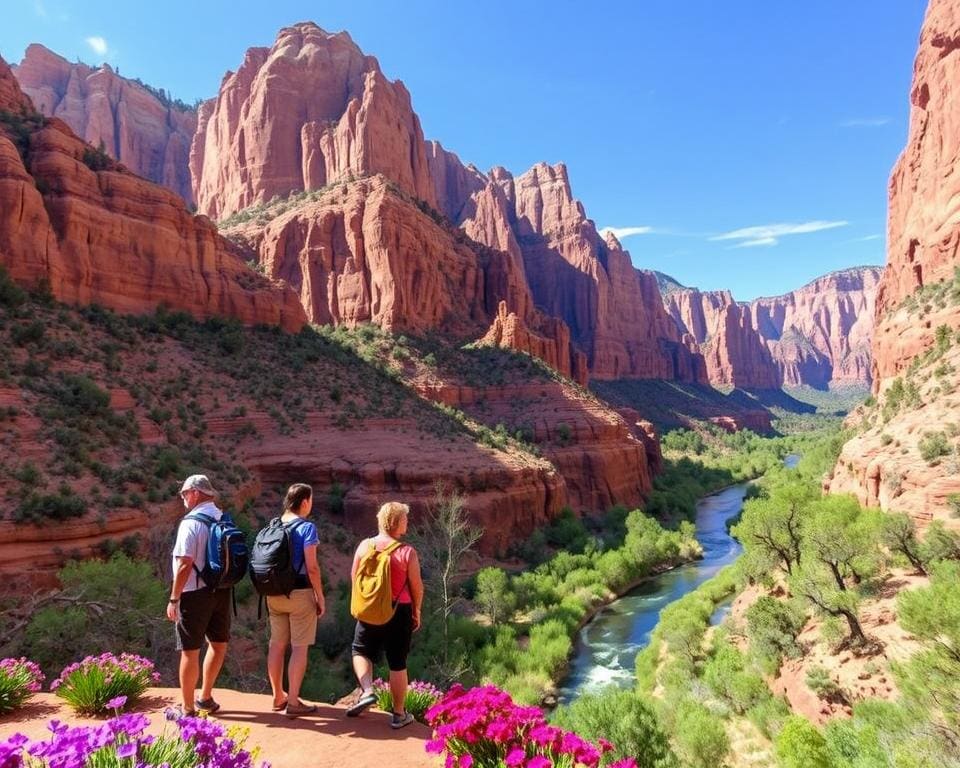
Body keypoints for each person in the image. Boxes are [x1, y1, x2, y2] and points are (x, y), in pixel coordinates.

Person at [346, 501, 423, 729]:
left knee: (360, 650)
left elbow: (354, 578)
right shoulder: (406, 552)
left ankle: (367, 691)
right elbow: (417, 586)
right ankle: (399, 715)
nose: (407, 522)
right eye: (405, 519)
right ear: (397, 522)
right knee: (397, 662)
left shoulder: (364, 546)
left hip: (369, 608)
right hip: (399, 611)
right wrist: (417, 610)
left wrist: (368, 601)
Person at [166, 474, 230, 717]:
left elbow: (184, 564)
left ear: (195, 492)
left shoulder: (191, 522)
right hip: (222, 590)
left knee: (190, 651)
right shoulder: (222, 516)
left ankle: (188, 708)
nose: (182, 498)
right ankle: (205, 697)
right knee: (218, 644)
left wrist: (174, 598)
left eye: (184, 494)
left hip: (194, 594)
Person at [265, 483, 326, 717]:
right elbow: (311, 566)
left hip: (273, 593)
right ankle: (293, 701)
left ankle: (277, 696)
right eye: (310, 500)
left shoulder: (274, 524)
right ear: (304, 502)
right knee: (299, 648)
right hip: (300, 594)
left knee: (276, 644)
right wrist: (319, 595)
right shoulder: (307, 528)